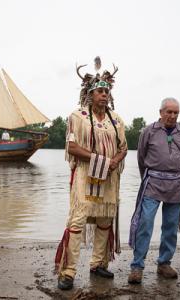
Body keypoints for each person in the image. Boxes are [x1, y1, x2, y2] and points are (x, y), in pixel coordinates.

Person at [55, 57, 127, 290]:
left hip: (108, 177)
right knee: (77, 220)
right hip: (86, 174)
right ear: (90, 93)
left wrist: (114, 161)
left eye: (106, 91)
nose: (104, 94)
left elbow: (124, 147)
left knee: (105, 219)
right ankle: (68, 271)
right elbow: (72, 147)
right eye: (99, 91)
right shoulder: (77, 116)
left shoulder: (116, 120)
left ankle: (98, 264)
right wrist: (100, 160)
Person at [128, 98, 180, 284]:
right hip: (153, 183)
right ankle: (137, 266)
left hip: (176, 186)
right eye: (169, 112)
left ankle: (164, 263)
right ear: (161, 112)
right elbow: (141, 157)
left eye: (176, 112)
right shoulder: (149, 131)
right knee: (145, 224)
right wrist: (147, 178)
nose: (172, 116)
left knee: (171, 226)